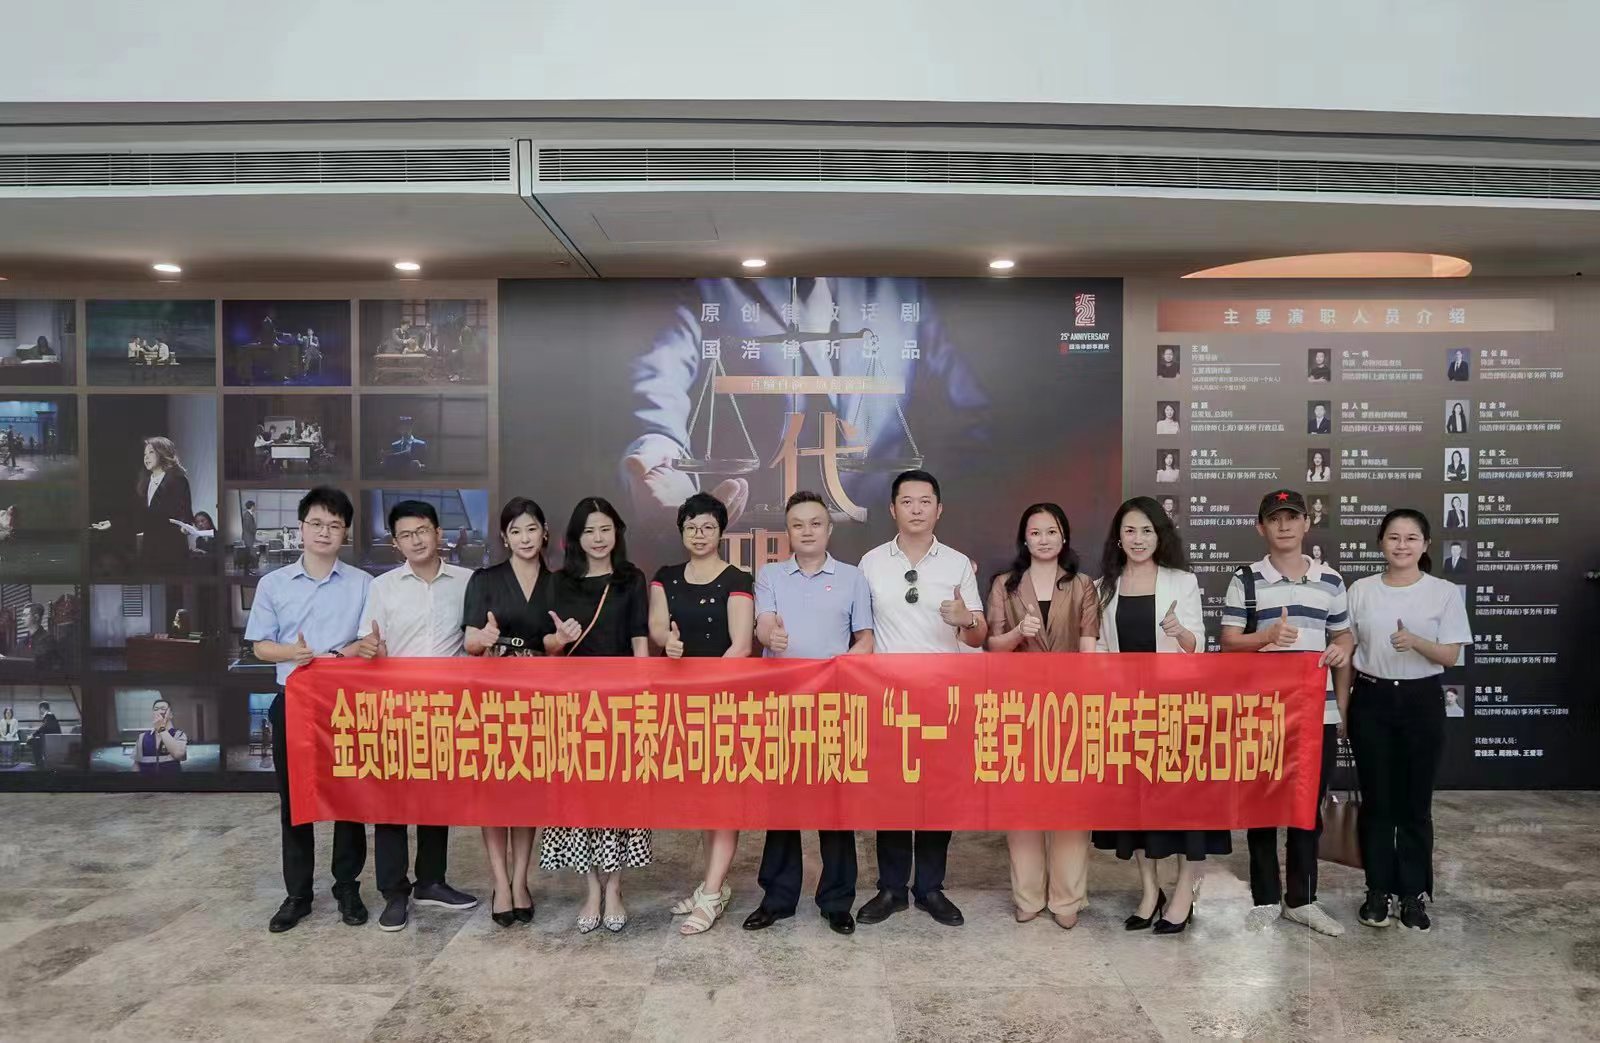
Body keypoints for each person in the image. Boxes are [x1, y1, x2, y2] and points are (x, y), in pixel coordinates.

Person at [1220, 489, 1354, 938]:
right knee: (1261, 807)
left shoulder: (1330, 580)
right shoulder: (1246, 580)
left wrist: (1340, 652)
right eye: (1274, 518)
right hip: (1261, 712)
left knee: (1307, 809)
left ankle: (1302, 899)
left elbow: (1344, 636)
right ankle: (1265, 897)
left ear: (1306, 524)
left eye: (1292, 517)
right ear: (1261, 527)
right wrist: (1266, 637)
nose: (1284, 526)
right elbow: (1229, 642)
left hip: (1317, 713)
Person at [856, 469, 985, 928]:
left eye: (925, 501)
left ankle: (930, 888)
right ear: (893, 509)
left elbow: (978, 637)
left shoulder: (957, 564)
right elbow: (861, 630)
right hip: (887, 696)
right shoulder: (871, 562)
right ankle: (891, 889)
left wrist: (966, 618)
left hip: (941, 697)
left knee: (937, 794)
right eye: (907, 501)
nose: (916, 509)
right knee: (891, 793)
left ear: (939, 509)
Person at [244, 486, 373, 933]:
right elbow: (260, 646)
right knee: (295, 797)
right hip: (295, 700)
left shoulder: (363, 583)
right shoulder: (273, 584)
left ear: (346, 533)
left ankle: (347, 886)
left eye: (334, 525)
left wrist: (340, 655)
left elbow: (367, 641)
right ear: (300, 528)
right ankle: (297, 893)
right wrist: (291, 654)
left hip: (346, 703)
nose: (324, 532)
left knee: (349, 795)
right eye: (316, 523)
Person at [746, 490, 874, 937]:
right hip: (782, 703)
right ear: (788, 531)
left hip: (835, 705)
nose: (806, 531)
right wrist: (771, 637)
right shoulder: (771, 575)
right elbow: (764, 624)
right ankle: (778, 899)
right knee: (782, 806)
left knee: (835, 807)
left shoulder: (853, 578)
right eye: (797, 524)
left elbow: (865, 638)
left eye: (815, 523)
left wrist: (849, 662)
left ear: (829, 529)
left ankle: (837, 901)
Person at [1090, 496, 1217, 935]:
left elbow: (1197, 646)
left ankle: (1183, 892)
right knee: (1136, 805)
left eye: (1147, 530)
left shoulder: (1182, 581)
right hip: (1127, 710)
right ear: (1118, 538)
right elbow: (1100, 648)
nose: (1138, 539)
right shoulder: (1103, 586)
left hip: (1176, 708)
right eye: (1130, 530)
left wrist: (1181, 633)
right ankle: (1149, 891)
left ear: (1160, 536)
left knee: (1181, 805)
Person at [1342, 508, 1471, 933]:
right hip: (1372, 698)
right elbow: (1347, 651)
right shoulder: (1361, 590)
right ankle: (1377, 890)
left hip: (1421, 701)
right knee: (1377, 802)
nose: (1402, 545)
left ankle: (1413, 893)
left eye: (1411, 538)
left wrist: (1415, 641)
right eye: (1394, 537)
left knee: (1415, 804)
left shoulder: (1443, 592)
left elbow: (1450, 655)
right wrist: (1342, 706)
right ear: (1381, 542)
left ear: (1425, 545)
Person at [356, 499, 480, 932]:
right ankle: (394, 892)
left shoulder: (467, 581)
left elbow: (475, 641)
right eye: (406, 535)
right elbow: (370, 641)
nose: (416, 540)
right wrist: (369, 649)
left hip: (446, 708)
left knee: (435, 798)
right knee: (391, 802)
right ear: (396, 543)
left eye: (423, 530)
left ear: (439, 533)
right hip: (395, 708)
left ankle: (431, 881)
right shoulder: (383, 587)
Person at [541, 497, 651, 934]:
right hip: (572, 705)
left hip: (621, 704)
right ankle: (590, 887)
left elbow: (640, 640)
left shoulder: (631, 578)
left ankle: (615, 887)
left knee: (620, 798)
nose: (598, 538)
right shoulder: (559, 582)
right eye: (589, 531)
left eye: (605, 529)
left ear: (616, 532)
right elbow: (548, 647)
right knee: (579, 798)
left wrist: (643, 696)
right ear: (575, 538)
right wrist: (558, 640)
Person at [986, 502, 1098, 929]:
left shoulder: (1083, 585)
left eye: (1051, 531)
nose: (1044, 539)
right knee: (1023, 807)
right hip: (1019, 708)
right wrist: (1018, 633)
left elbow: (1089, 646)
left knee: (1071, 807)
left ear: (1064, 536)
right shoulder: (1005, 585)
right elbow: (993, 646)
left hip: (1072, 708)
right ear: (1024, 539)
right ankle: (1028, 896)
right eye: (1035, 532)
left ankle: (1067, 899)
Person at [650, 492, 754, 936]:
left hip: (723, 701)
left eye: (708, 527)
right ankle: (716, 883)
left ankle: (710, 894)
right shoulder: (666, 577)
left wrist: (710, 692)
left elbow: (741, 646)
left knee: (724, 796)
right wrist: (668, 644)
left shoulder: (737, 578)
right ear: (682, 532)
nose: (699, 534)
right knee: (702, 798)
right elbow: (658, 627)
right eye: (691, 527)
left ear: (721, 532)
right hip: (679, 703)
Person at [462, 496, 559, 929]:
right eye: (516, 531)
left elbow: (556, 646)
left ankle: (521, 881)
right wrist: (482, 638)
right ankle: (500, 883)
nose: (525, 538)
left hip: (539, 696)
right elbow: (470, 641)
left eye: (531, 529)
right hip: (493, 695)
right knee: (494, 792)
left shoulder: (558, 584)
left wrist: (559, 642)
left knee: (526, 790)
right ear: (505, 537)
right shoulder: (484, 579)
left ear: (544, 533)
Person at [90, 436, 193, 570]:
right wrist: (112, 523)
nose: (146, 457)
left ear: (163, 453)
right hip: (149, 551)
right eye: (144, 454)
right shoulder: (143, 484)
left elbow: (185, 512)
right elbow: (137, 517)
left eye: (151, 452)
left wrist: (185, 526)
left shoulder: (177, 481)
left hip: (172, 550)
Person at [132, 698, 188, 774]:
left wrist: (161, 729)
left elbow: (179, 755)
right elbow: (136, 764)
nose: (159, 711)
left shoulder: (178, 734)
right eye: (156, 709)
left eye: (163, 709)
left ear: (170, 715)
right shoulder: (142, 737)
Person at [27, 700, 60, 766]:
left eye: (40, 709)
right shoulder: (49, 716)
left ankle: (38, 761)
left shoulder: (49, 715)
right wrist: (34, 735)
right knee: (33, 740)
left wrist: (33, 735)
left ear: (42, 708)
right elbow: (44, 728)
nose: (39, 711)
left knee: (33, 741)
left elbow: (43, 727)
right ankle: (38, 760)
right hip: (50, 738)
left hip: (52, 739)